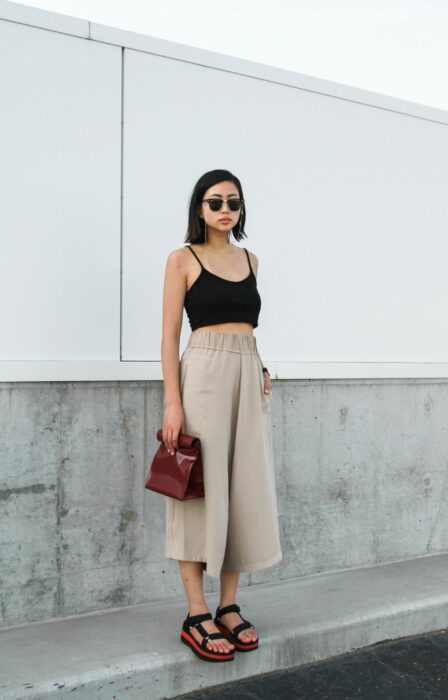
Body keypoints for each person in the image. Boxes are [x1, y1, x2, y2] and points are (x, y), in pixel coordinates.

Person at [161, 169, 282, 662]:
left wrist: (260, 365)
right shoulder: (182, 259)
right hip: (203, 374)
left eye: (233, 201)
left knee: (243, 489)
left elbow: (245, 327)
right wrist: (173, 400)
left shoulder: (252, 260)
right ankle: (196, 613)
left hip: (247, 374)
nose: (225, 209)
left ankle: (228, 605)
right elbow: (169, 336)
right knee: (197, 488)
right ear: (200, 209)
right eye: (215, 202)